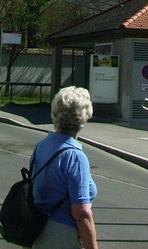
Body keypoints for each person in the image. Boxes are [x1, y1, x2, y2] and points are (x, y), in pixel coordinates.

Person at [31, 86, 99, 249]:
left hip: (37, 231)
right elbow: (81, 213)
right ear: (83, 117)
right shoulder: (75, 156)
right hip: (62, 235)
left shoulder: (41, 146)